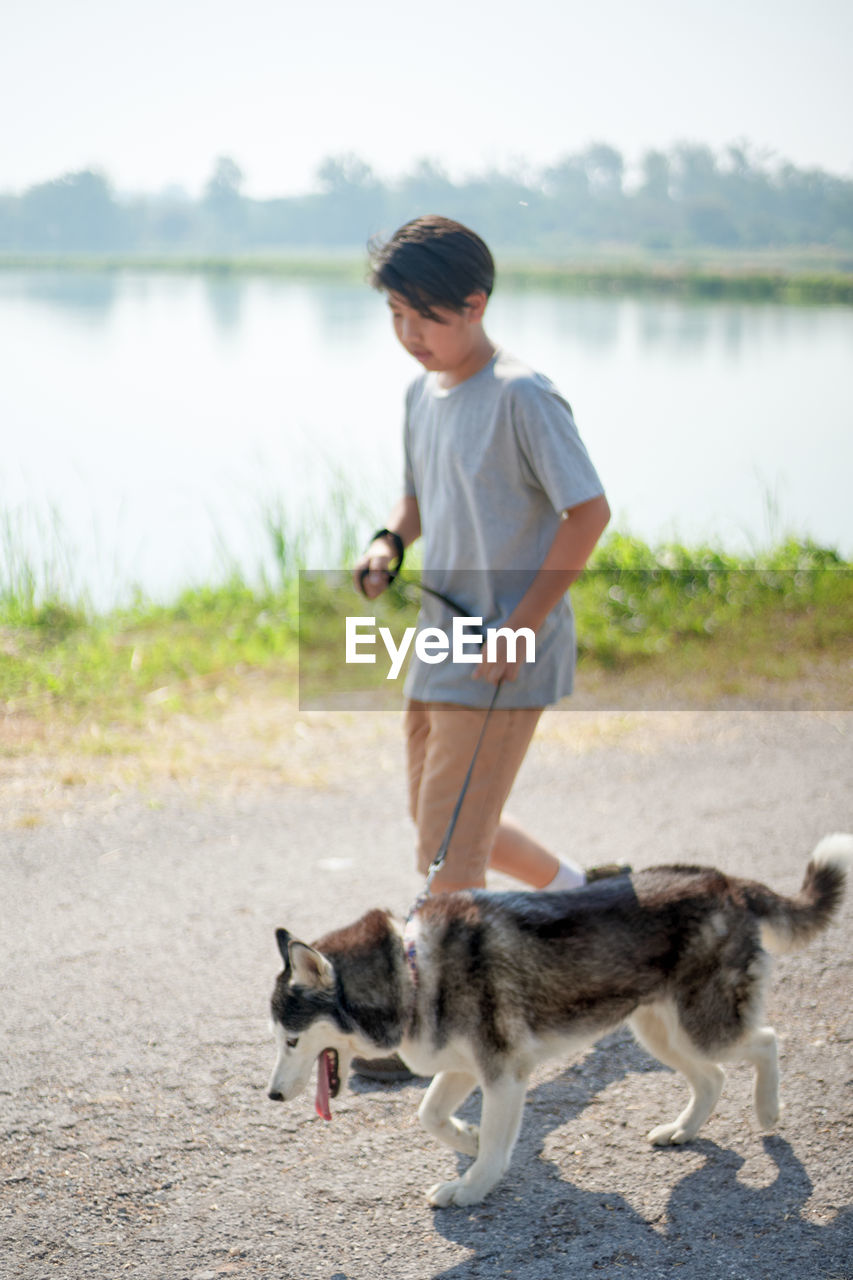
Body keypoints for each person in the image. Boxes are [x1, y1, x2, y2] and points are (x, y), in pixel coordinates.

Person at [351, 216, 620, 1077]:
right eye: (394, 315)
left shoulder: (522, 395)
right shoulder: (418, 395)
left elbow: (589, 514)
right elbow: (417, 495)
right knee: (435, 818)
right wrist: (388, 544)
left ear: (475, 304)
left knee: (449, 848)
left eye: (424, 318)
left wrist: (523, 622)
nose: (408, 336)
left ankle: (435, 1019)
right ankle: (589, 898)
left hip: (503, 653)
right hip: (439, 639)